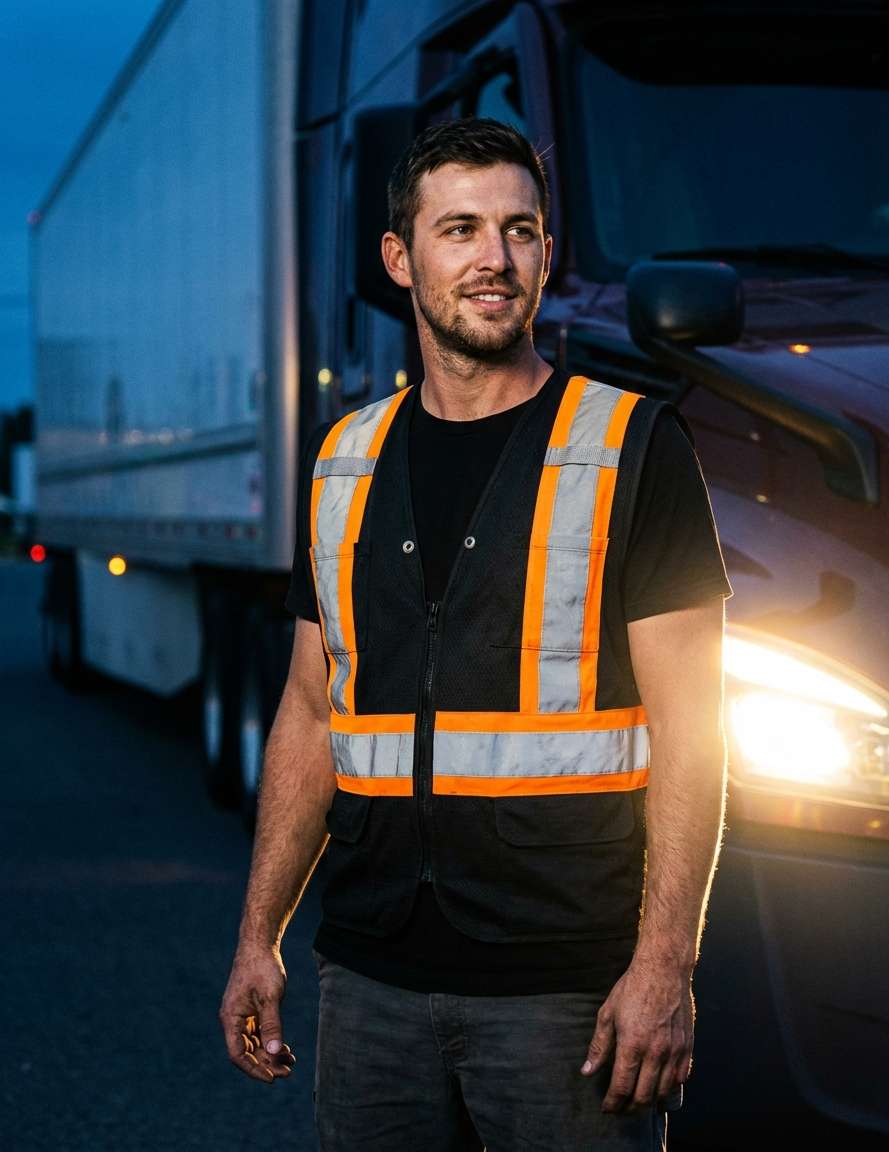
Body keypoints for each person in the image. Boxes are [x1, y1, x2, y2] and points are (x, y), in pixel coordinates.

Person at [220, 117, 731, 1151]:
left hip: (565, 996)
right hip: (370, 982)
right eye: (460, 229)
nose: (495, 259)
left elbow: (695, 726)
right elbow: (312, 712)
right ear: (400, 260)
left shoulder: (635, 446)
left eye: (520, 230)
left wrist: (665, 964)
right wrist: (257, 937)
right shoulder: (342, 463)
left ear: (546, 254)